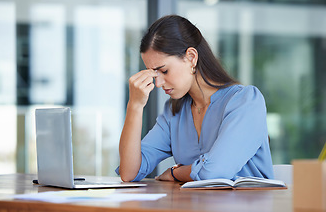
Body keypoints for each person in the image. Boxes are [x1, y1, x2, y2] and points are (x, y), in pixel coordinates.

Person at [117, 15, 274, 182]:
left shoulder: (246, 102)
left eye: (164, 71)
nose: (158, 83)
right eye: (154, 74)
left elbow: (213, 172)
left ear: (191, 57)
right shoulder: (174, 113)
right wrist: (134, 106)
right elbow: (129, 173)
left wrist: (175, 173)